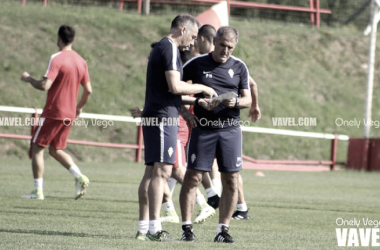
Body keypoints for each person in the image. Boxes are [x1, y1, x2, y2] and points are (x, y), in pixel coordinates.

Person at [137, 14, 217, 242]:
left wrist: (190, 107)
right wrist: (202, 88)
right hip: (163, 118)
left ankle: (144, 227)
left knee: (152, 173)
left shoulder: (161, 48)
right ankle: (154, 229)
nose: (193, 42)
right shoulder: (170, 49)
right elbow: (174, 86)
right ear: (182, 30)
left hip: (160, 115)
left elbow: (165, 90)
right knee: (162, 172)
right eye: (192, 36)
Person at [179, 26, 251, 243]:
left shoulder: (239, 67)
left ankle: (222, 230)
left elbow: (248, 99)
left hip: (230, 130)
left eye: (230, 47)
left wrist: (236, 102)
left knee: (231, 180)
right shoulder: (196, 64)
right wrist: (185, 112)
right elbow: (174, 89)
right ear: (215, 41)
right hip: (203, 129)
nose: (226, 50)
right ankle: (186, 228)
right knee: (193, 177)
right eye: (222, 45)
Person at [20, 24, 92, 200]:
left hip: (54, 111)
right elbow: (88, 90)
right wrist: (79, 108)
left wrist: (29, 78)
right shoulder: (81, 61)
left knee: (37, 147)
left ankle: (38, 191)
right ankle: (79, 176)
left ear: (58, 38)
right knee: (55, 149)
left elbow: (45, 85)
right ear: (74, 40)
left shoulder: (57, 58)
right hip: (69, 114)